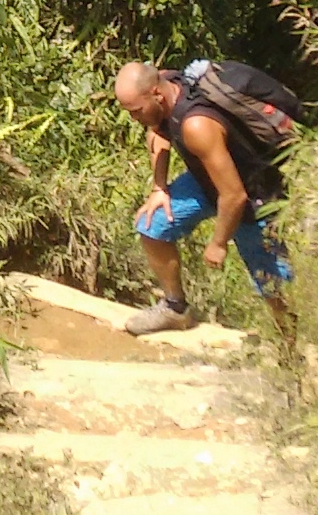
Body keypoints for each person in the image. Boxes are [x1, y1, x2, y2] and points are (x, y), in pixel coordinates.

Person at [111, 57, 299, 336]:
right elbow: (158, 132)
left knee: (271, 283)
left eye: (136, 110)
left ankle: (293, 346)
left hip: (253, 192)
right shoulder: (167, 84)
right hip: (210, 179)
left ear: (156, 95)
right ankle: (176, 309)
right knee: (152, 225)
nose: (133, 118)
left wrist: (219, 243)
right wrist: (159, 188)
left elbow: (234, 196)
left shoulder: (196, 125)